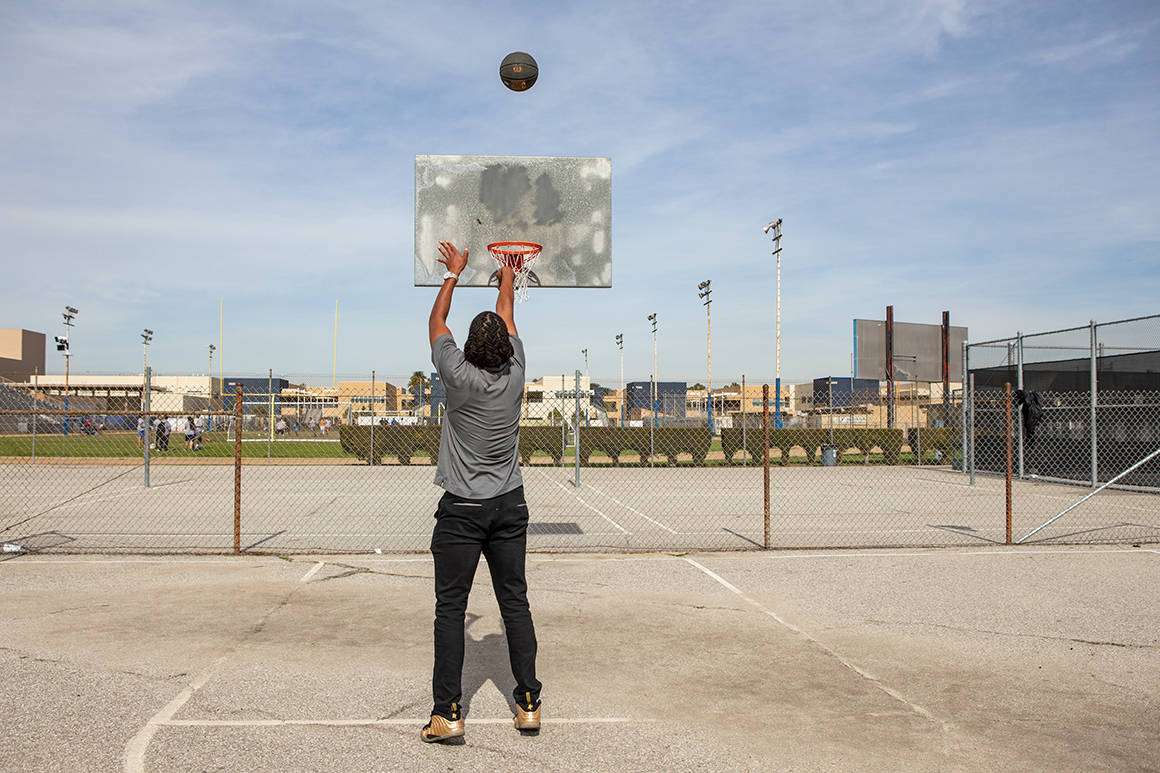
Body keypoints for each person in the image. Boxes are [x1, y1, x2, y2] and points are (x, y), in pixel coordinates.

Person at [420, 239, 541, 744]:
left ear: (468, 348)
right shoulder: (516, 374)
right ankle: (529, 704)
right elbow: (507, 315)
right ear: (507, 348)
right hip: (510, 505)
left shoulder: (456, 375)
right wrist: (507, 273)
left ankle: (448, 713)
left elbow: (436, 324)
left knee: (451, 609)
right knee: (515, 603)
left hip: (463, 511)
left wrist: (453, 273)